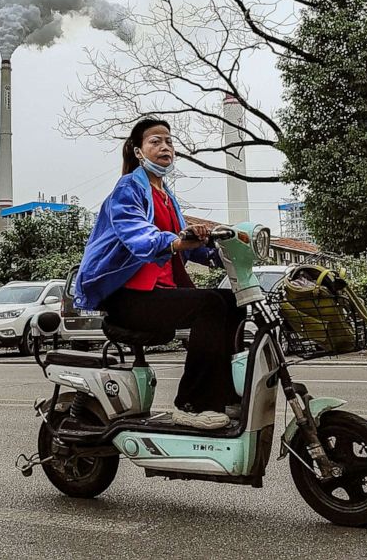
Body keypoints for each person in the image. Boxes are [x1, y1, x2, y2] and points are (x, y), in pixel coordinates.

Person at [74, 118, 244, 430]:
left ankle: (224, 396)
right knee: (210, 304)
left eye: (168, 140)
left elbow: (187, 247)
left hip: (159, 293)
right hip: (128, 297)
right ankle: (191, 404)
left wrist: (220, 251)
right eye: (155, 141)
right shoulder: (128, 190)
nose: (165, 146)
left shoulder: (166, 196)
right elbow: (138, 236)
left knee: (231, 301)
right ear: (139, 152)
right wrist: (178, 240)